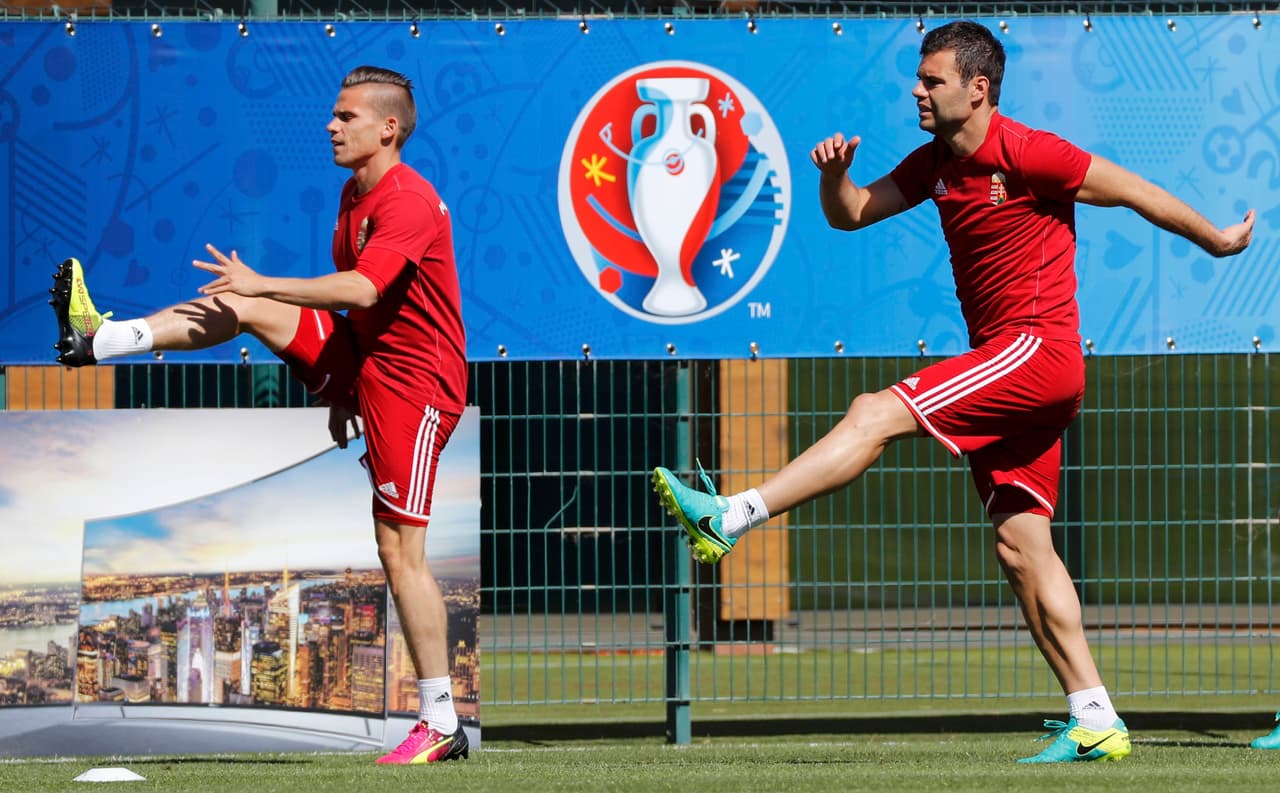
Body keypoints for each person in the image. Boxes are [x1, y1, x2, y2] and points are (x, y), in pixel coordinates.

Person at [652, 20, 1254, 764]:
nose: (916, 89)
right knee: (1022, 543)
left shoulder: (1032, 151)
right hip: (1015, 366)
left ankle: (733, 513)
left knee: (873, 411)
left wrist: (1219, 241)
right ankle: (1095, 714)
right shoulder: (936, 162)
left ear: (979, 88)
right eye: (917, 77)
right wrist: (832, 176)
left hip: (1036, 351)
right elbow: (851, 213)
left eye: (932, 80)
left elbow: (1133, 192)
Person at [50, 65, 470, 765]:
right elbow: (361, 312)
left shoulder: (409, 200)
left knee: (400, 550)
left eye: (347, 116)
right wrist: (342, 387)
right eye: (333, 115)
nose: (331, 125)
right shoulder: (351, 194)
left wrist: (268, 281)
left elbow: (364, 289)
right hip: (369, 367)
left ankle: (441, 722)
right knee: (245, 307)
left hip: (416, 386)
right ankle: (100, 338)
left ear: (388, 128)